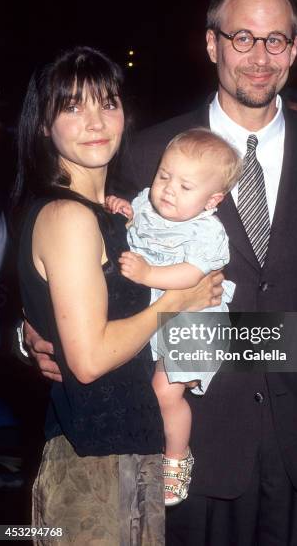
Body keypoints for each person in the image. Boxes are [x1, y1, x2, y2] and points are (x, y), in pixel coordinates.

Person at [26, 0, 297, 546]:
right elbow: (69, 257)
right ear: (212, 42)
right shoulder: (141, 153)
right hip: (188, 444)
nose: (259, 57)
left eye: (276, 40)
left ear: (295, 49)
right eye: (243, 37)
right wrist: (32, 333)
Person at [13, 46, 222, 545]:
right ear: (43, 125)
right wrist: (174, 302)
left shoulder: (126, 206)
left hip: (136, 451)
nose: (95, 120)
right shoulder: (69, 217)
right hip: (95, 462)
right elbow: (87, 361)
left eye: (107, 102)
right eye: (72, 106)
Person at [106, 127, 241, 506]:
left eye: (185, 186)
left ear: (212, 199)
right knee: (150, 390)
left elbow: (192, 276)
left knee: (166, 392)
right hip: (154, 316)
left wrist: (148, 274)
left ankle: (177, 459)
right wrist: (124, 212)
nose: (167, 189)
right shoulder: (148, 204)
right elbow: (133, 229)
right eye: (164, 175)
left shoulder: (208, 231)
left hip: (196, 323)